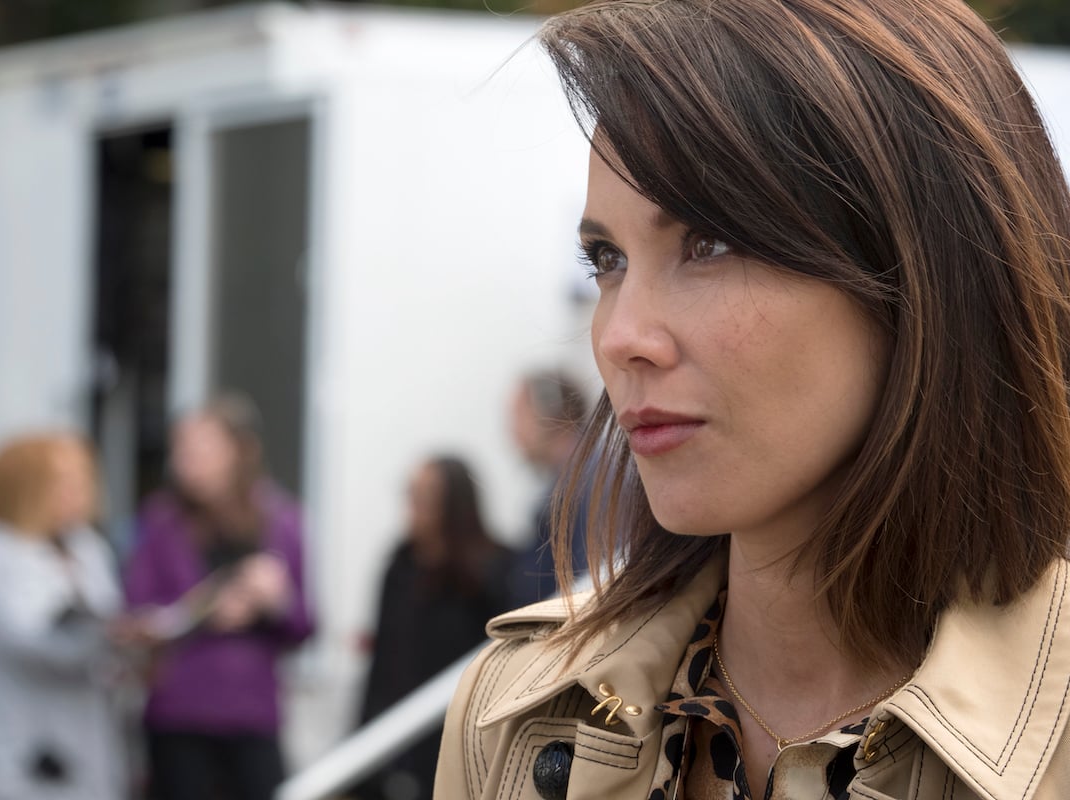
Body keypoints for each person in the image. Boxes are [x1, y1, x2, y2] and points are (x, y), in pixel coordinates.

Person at [436, 1, 1070, 798]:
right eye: (607, 259)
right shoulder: (512, 714)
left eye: (710, 243)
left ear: (926, 273)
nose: (621, 337)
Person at [123, 393, 311, 800]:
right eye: (180, 449)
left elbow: (304, 625)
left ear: (238, 451)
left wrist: (274, 602)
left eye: (201, 448)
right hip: (180, 709)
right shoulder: (161, 519)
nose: (186, 460)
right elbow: (137, 612)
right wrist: (203, 607)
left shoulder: (280, 519)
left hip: (252, 712)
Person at [0, 432, 127, 800]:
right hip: (22, 731)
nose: (80, 493)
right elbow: (28, 640)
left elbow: (109, 614)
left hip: (87, 729)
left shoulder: (87, 546)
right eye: (65, 481)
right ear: (26, 487)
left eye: (83, 480)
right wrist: (102, 637)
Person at [355, 456, 513, 800]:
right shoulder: (399, 569)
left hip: (463, 738)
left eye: (425, 496)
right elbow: (381, 664)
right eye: (410, 494)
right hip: (400, 740)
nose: (413, 507)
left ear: (453, 504)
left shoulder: (493, 572)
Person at [506, 369, 590, 605]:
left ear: (549, 411)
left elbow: (591, 584)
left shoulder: (586, 483)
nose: (513, 431)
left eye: (518, 415)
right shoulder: (571, 480)